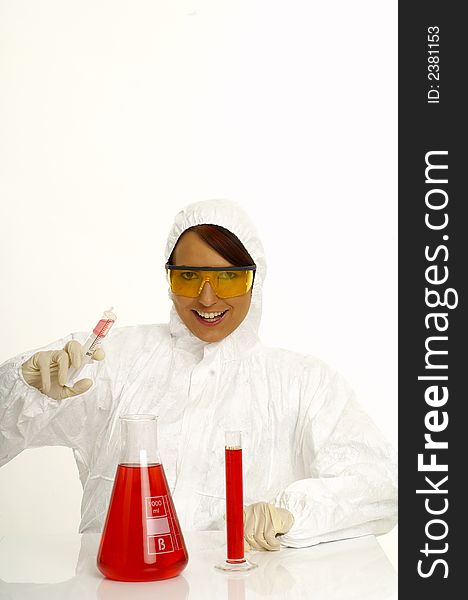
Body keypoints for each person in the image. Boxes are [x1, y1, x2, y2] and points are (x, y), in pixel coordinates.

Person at [0, 199, 397, 551]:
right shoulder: (111, 359)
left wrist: (291, 515)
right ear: (169, 277)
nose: (207, 298)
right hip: (118, 587)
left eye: (229, 277)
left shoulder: (301, 382)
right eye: (188, 276)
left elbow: (380, 484)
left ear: (255, 281)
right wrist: (24, 390)